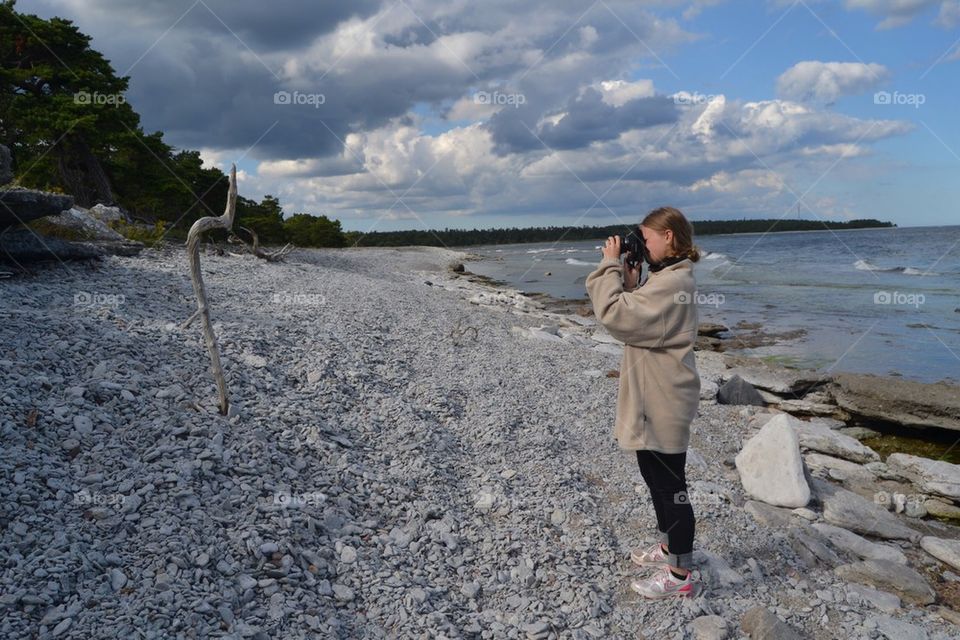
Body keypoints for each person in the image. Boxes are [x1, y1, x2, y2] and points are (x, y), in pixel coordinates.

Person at [584, 206, 702, 599]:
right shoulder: (667, 277)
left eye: (646, 237)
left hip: (664, 398)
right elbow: (644, 319)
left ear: (669, 236)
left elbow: (617, 317)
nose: (642, 244)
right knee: (654, 477)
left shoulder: (673, 282)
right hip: (654, 394)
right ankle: (669, 547)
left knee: (672, 487)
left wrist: (609, 266)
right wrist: (632, 283)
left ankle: (680, 576)